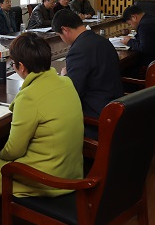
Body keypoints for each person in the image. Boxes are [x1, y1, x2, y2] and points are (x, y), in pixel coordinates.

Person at [0, 33, 83, 225]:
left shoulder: (29, 96)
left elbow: (14, 150)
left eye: (14, 65)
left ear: (21, 66)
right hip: (72, 169)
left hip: (49, 178)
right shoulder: (66, 82)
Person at [52, 10, 122, 138]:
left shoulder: (78, 50)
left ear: (65, 30)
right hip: (116, 108)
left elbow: (71, 93)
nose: (62, 39)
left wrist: (64, 76)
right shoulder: (102, 41)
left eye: (59, 35)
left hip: (96, 118)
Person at [121, 4, 155, 71]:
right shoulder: (150, 18)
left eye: (130, 24)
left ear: (134, 17)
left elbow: (144, 48)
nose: (131, 26)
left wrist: (129, 42)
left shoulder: (144, 25)